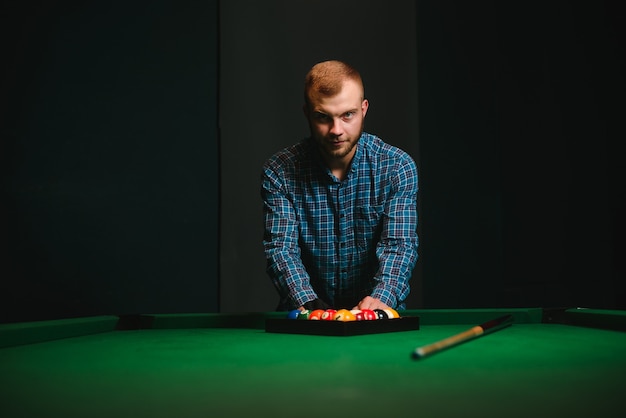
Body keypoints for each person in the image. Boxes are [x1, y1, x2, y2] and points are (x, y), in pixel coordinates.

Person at [261, 60, 418, 313]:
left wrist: (381, 299)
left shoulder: (397, 167)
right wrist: (308, 303)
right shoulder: (279, 171)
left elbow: (398, 245)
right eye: (323, 117)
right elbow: (282, 248)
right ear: (307, 114)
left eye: (348, 115)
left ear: (364, 109)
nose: (336, 130)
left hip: (375, 319)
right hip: (306, 321)